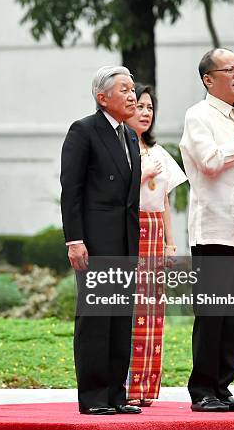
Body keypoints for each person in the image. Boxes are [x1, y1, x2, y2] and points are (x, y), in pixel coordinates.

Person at [179, 48, 234, 413]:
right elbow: (210, 161)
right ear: (208, 79)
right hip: (213, 229)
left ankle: (223, 387)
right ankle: (202, 389)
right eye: (229, 69)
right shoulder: (197, 116)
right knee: (211, 313)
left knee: (233, 315)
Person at [60, 65, 142, 415]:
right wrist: (75, 239)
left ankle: (115, 395)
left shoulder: (131, 136)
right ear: (102, 97)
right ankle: (93, 396)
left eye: (132, 89)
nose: (132, 95)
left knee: (120, 319)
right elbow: (71, 189)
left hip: (124, 242)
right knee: (96, 319)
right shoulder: (84, 130)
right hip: (95, 241)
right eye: (123, 89)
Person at [124, 84, 187, 406]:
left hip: (154, 233)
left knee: (153, 313)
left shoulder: (159, 152)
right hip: (130, 232)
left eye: (149, 108)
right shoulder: (120, 151)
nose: (145, 113)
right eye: (139, 107)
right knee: (131, 311)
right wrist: (139, 173)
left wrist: (170, 244)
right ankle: (125, 389)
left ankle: (147, 390)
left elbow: (163, 202)